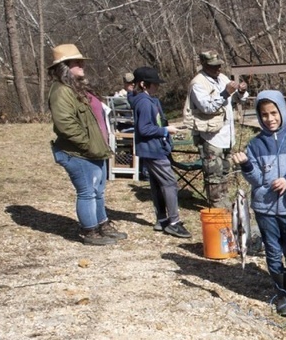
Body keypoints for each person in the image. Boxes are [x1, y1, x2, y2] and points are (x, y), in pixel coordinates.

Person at [231, 91, 286, 317]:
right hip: (264, 208)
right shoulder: (256, 143)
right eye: (264, 115)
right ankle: (281, 295)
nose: (270, 118)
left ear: (282, 110)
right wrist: (246, 165)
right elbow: (256, 180)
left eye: (273, 113)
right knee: (273, 250)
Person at [47, 43, 128, 246]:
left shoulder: (79, 87)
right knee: (87, 192)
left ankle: (102, 225)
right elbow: (65, 124)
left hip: (95, 150)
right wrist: (88, 144)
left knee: (98, 192)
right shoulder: (61, 91)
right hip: (78, 153)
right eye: (77, 62)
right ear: (64, 66)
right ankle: (89, 231)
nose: (82, 65)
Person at [130, 66, 191, 239]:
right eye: (154, 84)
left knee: (158, 185)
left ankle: (162, 219)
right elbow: (144, 129)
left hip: (151, 149)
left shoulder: (146, 100)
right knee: (170, 183)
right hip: (153, 150)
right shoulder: (143, 102)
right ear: (143, 84)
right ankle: (174, 222)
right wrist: (165, 130)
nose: (157, 86)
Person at [184, 50, 250, 208]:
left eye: (219, 65)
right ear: (205, 65)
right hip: (210, 135)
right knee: (213, 171)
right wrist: (226, 92)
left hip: (227, 134)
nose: (218, 69)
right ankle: (216, 204)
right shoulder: (197, 83)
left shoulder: (222, 78)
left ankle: (224, 199)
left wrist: (240, 91)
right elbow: (207, 107)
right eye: (214, 66)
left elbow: (237, 98)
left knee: (226, 168)